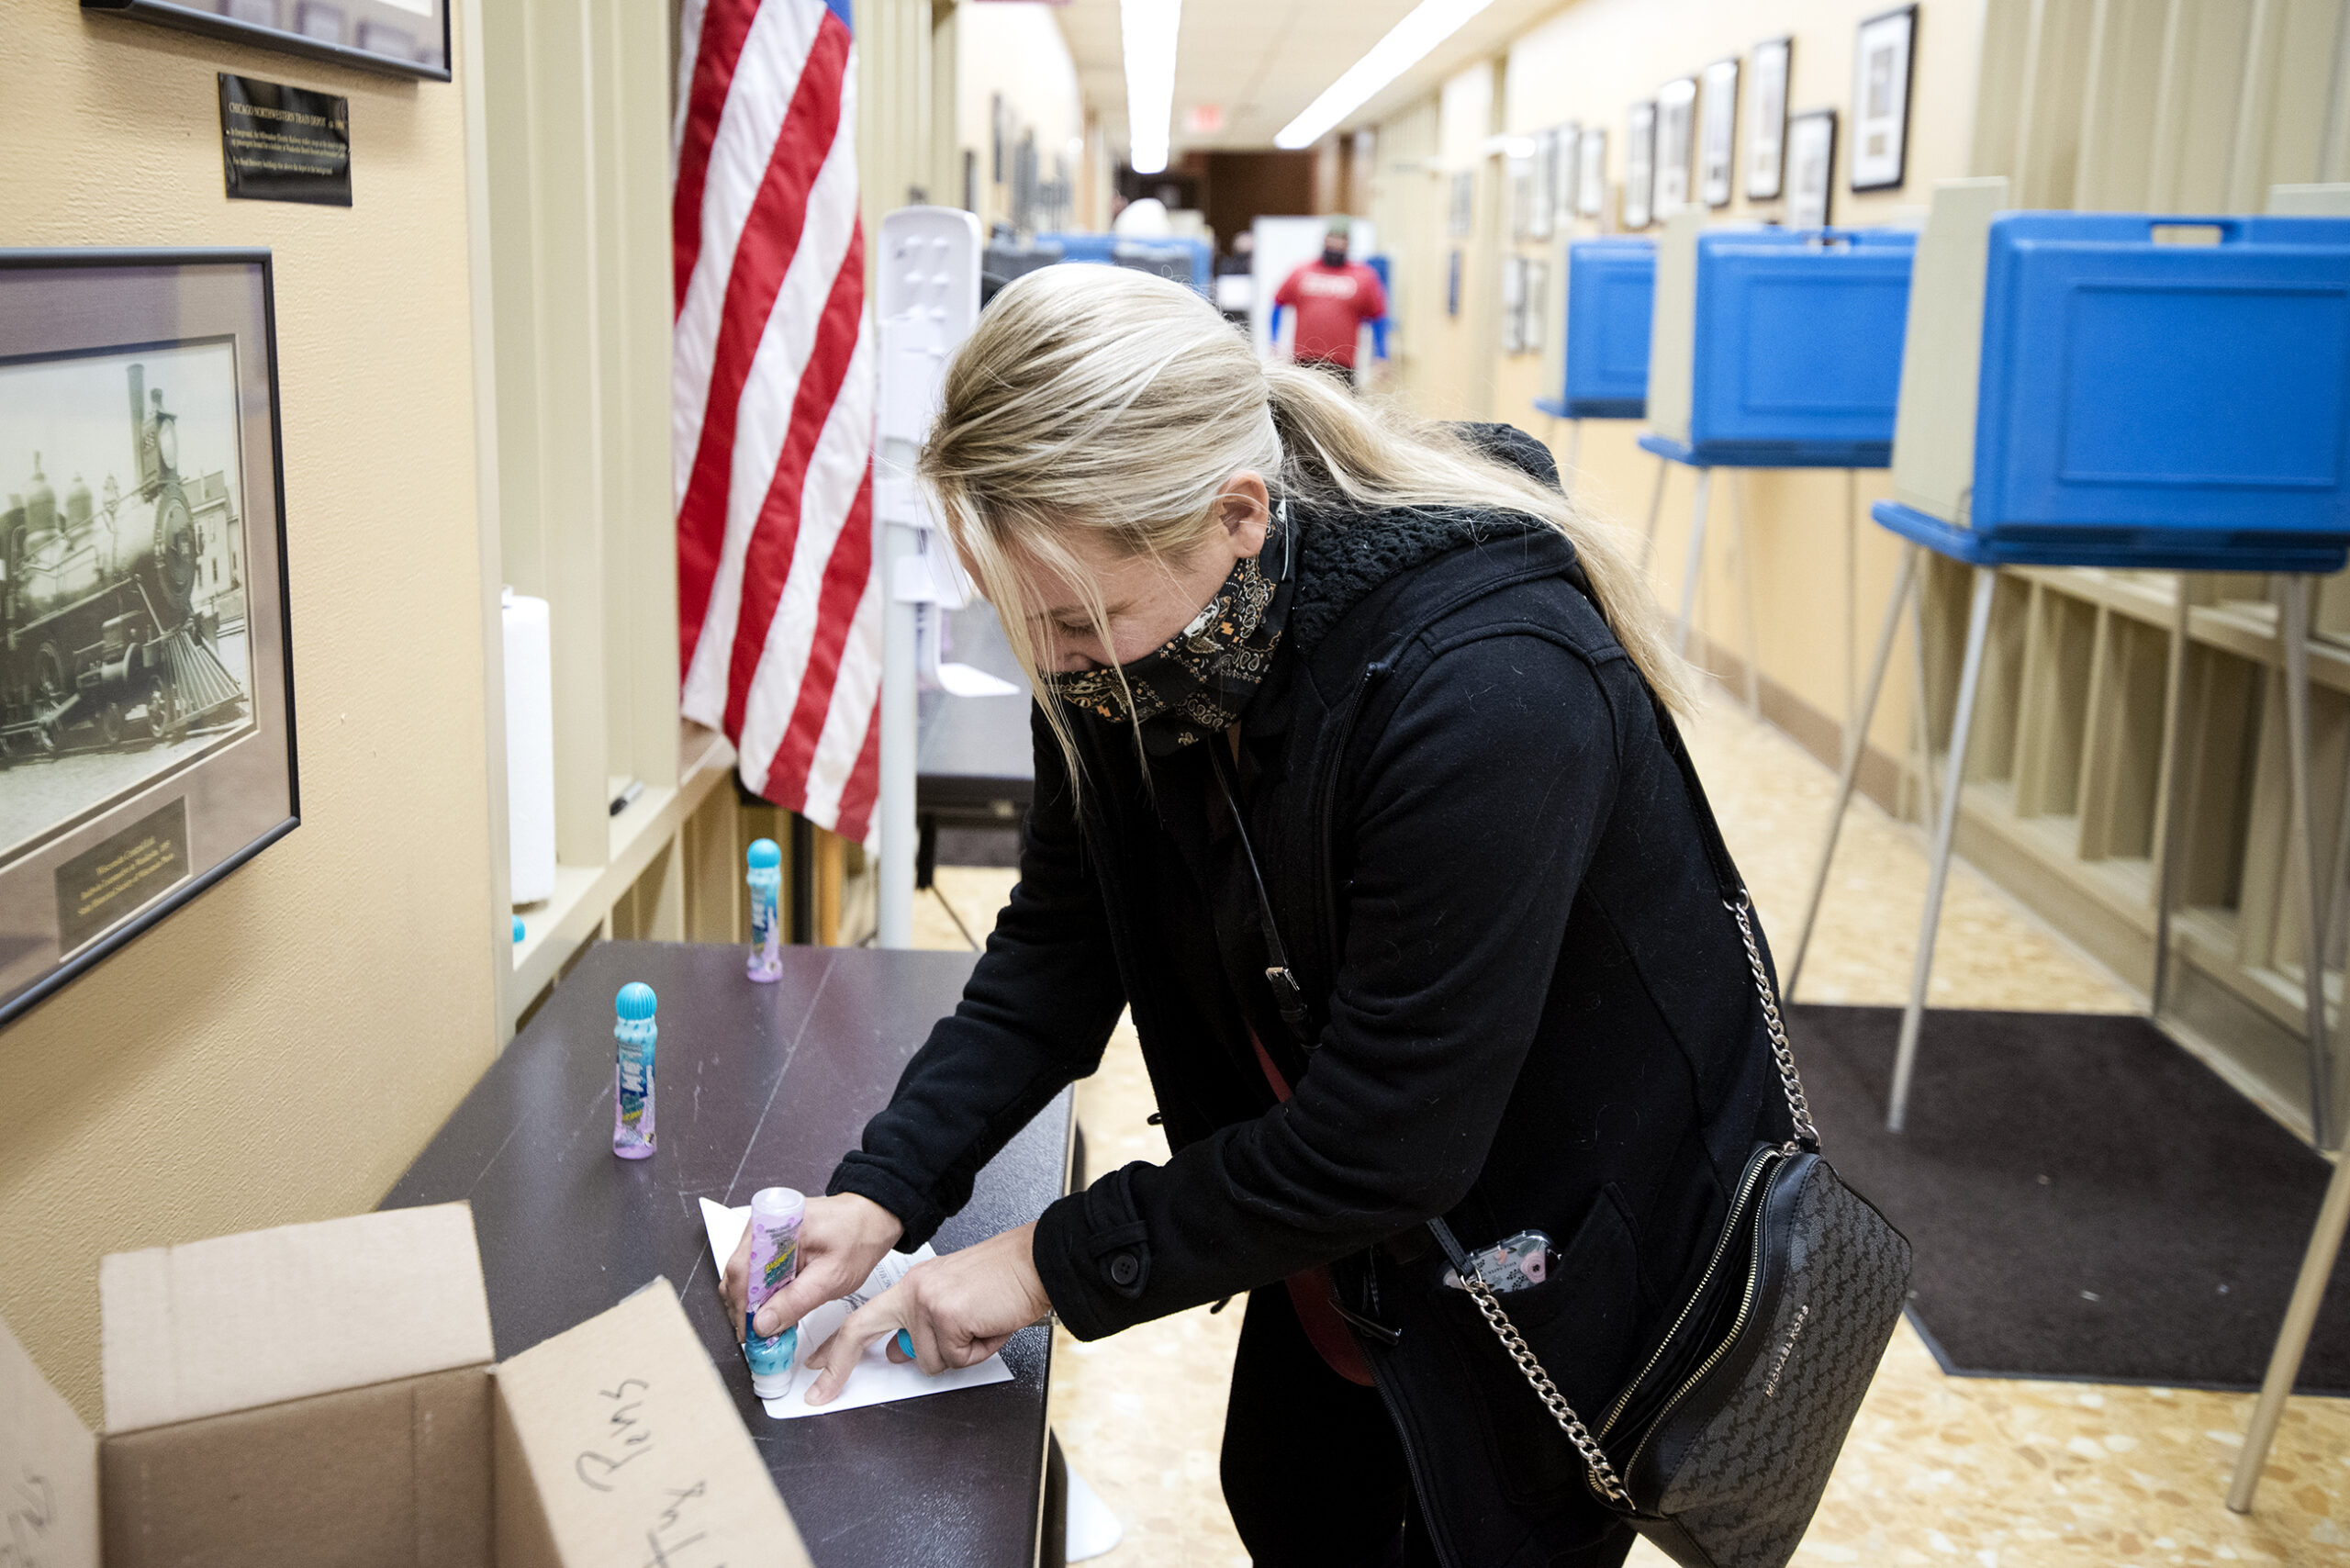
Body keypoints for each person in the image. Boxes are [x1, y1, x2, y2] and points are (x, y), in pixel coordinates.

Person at [725, 266, 1794, 1567]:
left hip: (1539, 1258)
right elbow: (1061, 948)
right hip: (1331, 1230)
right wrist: (886, 1187)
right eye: (1019, 622)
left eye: (1080, 621)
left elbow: (1389, 1139)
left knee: (1457, 1531)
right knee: (1296, 1501)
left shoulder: (1492, 687)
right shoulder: (1139, 654)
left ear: (1238, 515)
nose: (1050, 664)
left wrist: (1040, 1266)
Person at [1270, 217, 1386, 385]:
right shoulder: (1302, 272)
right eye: (1332, 238)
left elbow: (1378, 317)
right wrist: (1274, 341)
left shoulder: (1363, 277)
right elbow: (1278, 303)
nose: (1336, 244)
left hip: (1342, 366)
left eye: (1341, 239)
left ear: (1348, 243)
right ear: (1325, 240)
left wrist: (1381, 355)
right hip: (1304, 361)